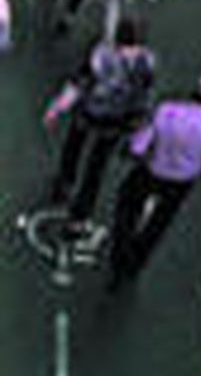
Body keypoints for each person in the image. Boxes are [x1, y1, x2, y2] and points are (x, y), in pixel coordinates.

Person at [108, 69, 201, 285]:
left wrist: (134, 150)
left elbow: (141, 144)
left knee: (127, 204)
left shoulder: (168, 110)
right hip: (181, 182)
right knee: (158, 223)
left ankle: (120, 251)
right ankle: (134, 264)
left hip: (153, 170)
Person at [44, 19, 158, 230]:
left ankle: (66, 188)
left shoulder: (101, 54)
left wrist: (58, 106)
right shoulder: (145, 63)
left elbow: (79, 82)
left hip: (93, 113)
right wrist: (138, 130)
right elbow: (145, 99)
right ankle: (79, 209)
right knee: (94, 164)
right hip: (114, 121)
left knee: (76, 151)